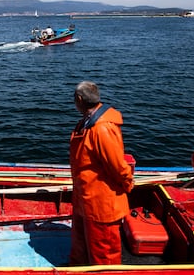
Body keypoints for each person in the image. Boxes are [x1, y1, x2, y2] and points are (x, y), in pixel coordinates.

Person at [69, 81, 134, 265]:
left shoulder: (102, 128)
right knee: (81, 246)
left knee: (103, 253)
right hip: (86, 199)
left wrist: (128, 183)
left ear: (79, 99)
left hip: (101, 205)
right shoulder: (87, 123)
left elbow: (117, 166)